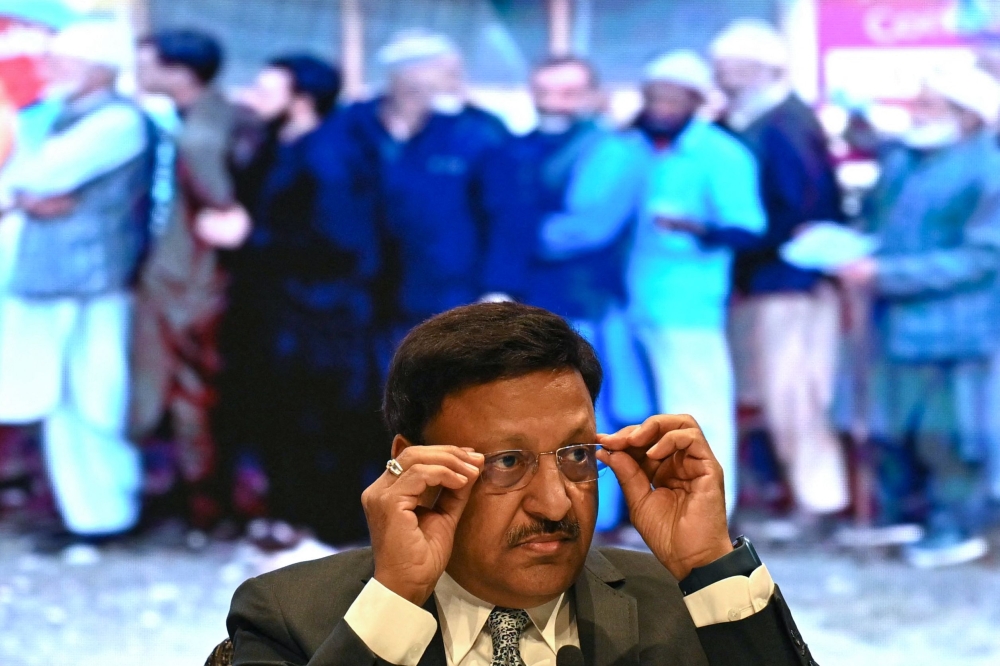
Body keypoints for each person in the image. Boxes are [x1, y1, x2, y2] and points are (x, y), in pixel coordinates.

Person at [226, 302, 817, 666]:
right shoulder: (289, 617)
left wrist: (709, 564)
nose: (556, 503)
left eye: (577, 455)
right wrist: (397, 600)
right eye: (508, 462)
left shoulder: (691, 608)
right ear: (413, 466)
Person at [558, 50, 765, 517]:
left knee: (696, 410)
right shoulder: (637, 149)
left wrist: (694, 228)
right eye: (653, 97)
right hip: (630, 301)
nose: (660, 107)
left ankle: (709, 512)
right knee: (648, 413)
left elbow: (748, 229)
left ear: (696, 100)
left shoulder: (720, 153)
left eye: (673, 98)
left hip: (687, 305)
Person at [217, 54, 383, 550]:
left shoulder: (330, 154)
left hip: (322, 314)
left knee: (320, 419)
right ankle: (292, 516)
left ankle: (330, 527)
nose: (253, 97)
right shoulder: (278, 145)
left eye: (268, 90)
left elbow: (344, 243)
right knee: (283, 415)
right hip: (283, 307)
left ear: (302, 100)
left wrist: (250, 238)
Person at [839, 66, 1000, 567]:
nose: (916, 112)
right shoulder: (906, 159)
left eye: (929, 105)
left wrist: (887, 274)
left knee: (948, 435)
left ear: (966, 116)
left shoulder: (987, 170)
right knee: (897, 428)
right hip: (894, 321)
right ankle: (914, 517)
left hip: (953, 324)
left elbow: (982, 258)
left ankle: (956, 528)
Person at [0, 19, 153, 548]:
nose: (48, 70)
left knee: (96, 401)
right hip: (59, 284)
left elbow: (33, 175)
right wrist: (27, 195)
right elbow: (25, 181)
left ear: (97, 69)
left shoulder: (117, 122)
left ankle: (110, 516)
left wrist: (24, 193)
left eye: (61, 62)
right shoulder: (66, 117)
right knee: (63, 403)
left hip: (93, 286)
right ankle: (85, 517)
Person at [500, 55, 651, 531]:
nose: (555, 101)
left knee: (591, 412)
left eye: (568, 91)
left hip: (587, 303)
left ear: (591, 94)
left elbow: (590, 227)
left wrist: (511, 237)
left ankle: (599, 518)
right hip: (532, 302)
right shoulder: (519, 146)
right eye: (546, 90)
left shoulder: (614, 150)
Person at [710, 19, 850, 522]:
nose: (727, 76)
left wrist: (732, 236)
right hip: (766, 280)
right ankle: (794, 494)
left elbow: (800, 210)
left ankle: (820, 499)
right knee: (769, 393)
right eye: (723, 67)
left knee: (795, 394)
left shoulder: (786, 124)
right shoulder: (753, 121)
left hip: (788, 283)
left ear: (767, 68)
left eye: (738, 66)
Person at [340, 32, 519, 373]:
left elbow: (506, 215)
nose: (453, 78)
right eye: (442, 70)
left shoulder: (477, 133)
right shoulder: (358, 124)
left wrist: (498, 287)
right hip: (372, 287)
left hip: (452, 289)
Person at [132, 29, 250, 527]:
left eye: (147, 63)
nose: (139, 72)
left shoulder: (202, 132)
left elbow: (221, 208)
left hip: (189, 283)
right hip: (184, 277)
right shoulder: (201, 116)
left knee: (189, 392)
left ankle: (205, 504)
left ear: (180, 72)